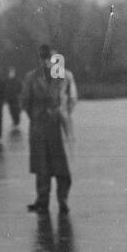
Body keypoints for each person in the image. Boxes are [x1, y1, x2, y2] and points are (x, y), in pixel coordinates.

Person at [24, 45, 79, 214]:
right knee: (42, 168)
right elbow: (25, 101)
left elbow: (72, 99)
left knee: (63, 168)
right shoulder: (32, 78)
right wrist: (36, 116)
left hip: (60, 128)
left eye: (50, 57)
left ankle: (63, 200)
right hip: (39, 128)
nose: (47, 61)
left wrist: (63, 114)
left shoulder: (66, 76)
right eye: (43, 57)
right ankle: (42, 200)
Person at [4, 66, 22, 132]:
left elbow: (20, 87)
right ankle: (15, 120)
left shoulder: (17, 80)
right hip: (10, 98)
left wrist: (18, 93)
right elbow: (5, 88)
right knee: (11, 110)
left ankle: (16, 120)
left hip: (15, 97)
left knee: (16, 109)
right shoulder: (7, 80)